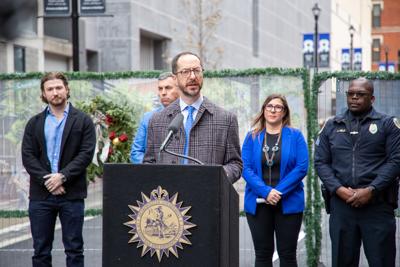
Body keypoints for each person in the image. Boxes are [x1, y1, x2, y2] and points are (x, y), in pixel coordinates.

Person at [315, 77, 400, 267]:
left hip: (377, 205)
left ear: (372, 98)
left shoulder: (387, 125)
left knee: (382, 261)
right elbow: (321, 162)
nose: (354, 98)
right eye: (350, 94)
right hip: (342, 206)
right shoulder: (332, 125)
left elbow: (395, 161)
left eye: (360, 94)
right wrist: (339, 189)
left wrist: (371, 189)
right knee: (342, 261)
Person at [22, 72, 96, 267]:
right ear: (44, 94)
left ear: (67, 89)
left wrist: (62, 177)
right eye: (50, 89)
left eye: (58, 88)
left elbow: (86, 154)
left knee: (74, 250)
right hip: (41, 196)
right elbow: (28, 157)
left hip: (71, 195)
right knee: (40, 251)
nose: (55, 92)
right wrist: (50, 181)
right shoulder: (34, 123)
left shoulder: (83, 120)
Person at [143, 51, 242, 183]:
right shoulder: (157, 120)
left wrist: (216, 178)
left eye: (197, 70)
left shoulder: (226, 119)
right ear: (175, 78)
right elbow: (149, 163)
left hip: (208, 197)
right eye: (185, 72)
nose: (193, 76)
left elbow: (235, 164)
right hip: (169, 200)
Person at [242, 94, 308, 267]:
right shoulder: (252, 137)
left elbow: (302, 167)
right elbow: (245, 168)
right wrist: (265, 191)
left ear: (284, 112)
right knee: (262, 254)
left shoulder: (295, 136)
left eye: (278, 107)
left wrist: (277, 192)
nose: (273, 110)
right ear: (263, 110)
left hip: (289, 203)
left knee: (287, 254)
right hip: (258, 203)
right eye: (269, 106)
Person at [130, 72, 180, 163]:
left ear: (179, 89)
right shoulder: (148, 118)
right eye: (160, 89)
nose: (163, 93)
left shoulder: (187, 116)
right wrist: (153, 170)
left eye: (168, 88)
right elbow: (136, 152)